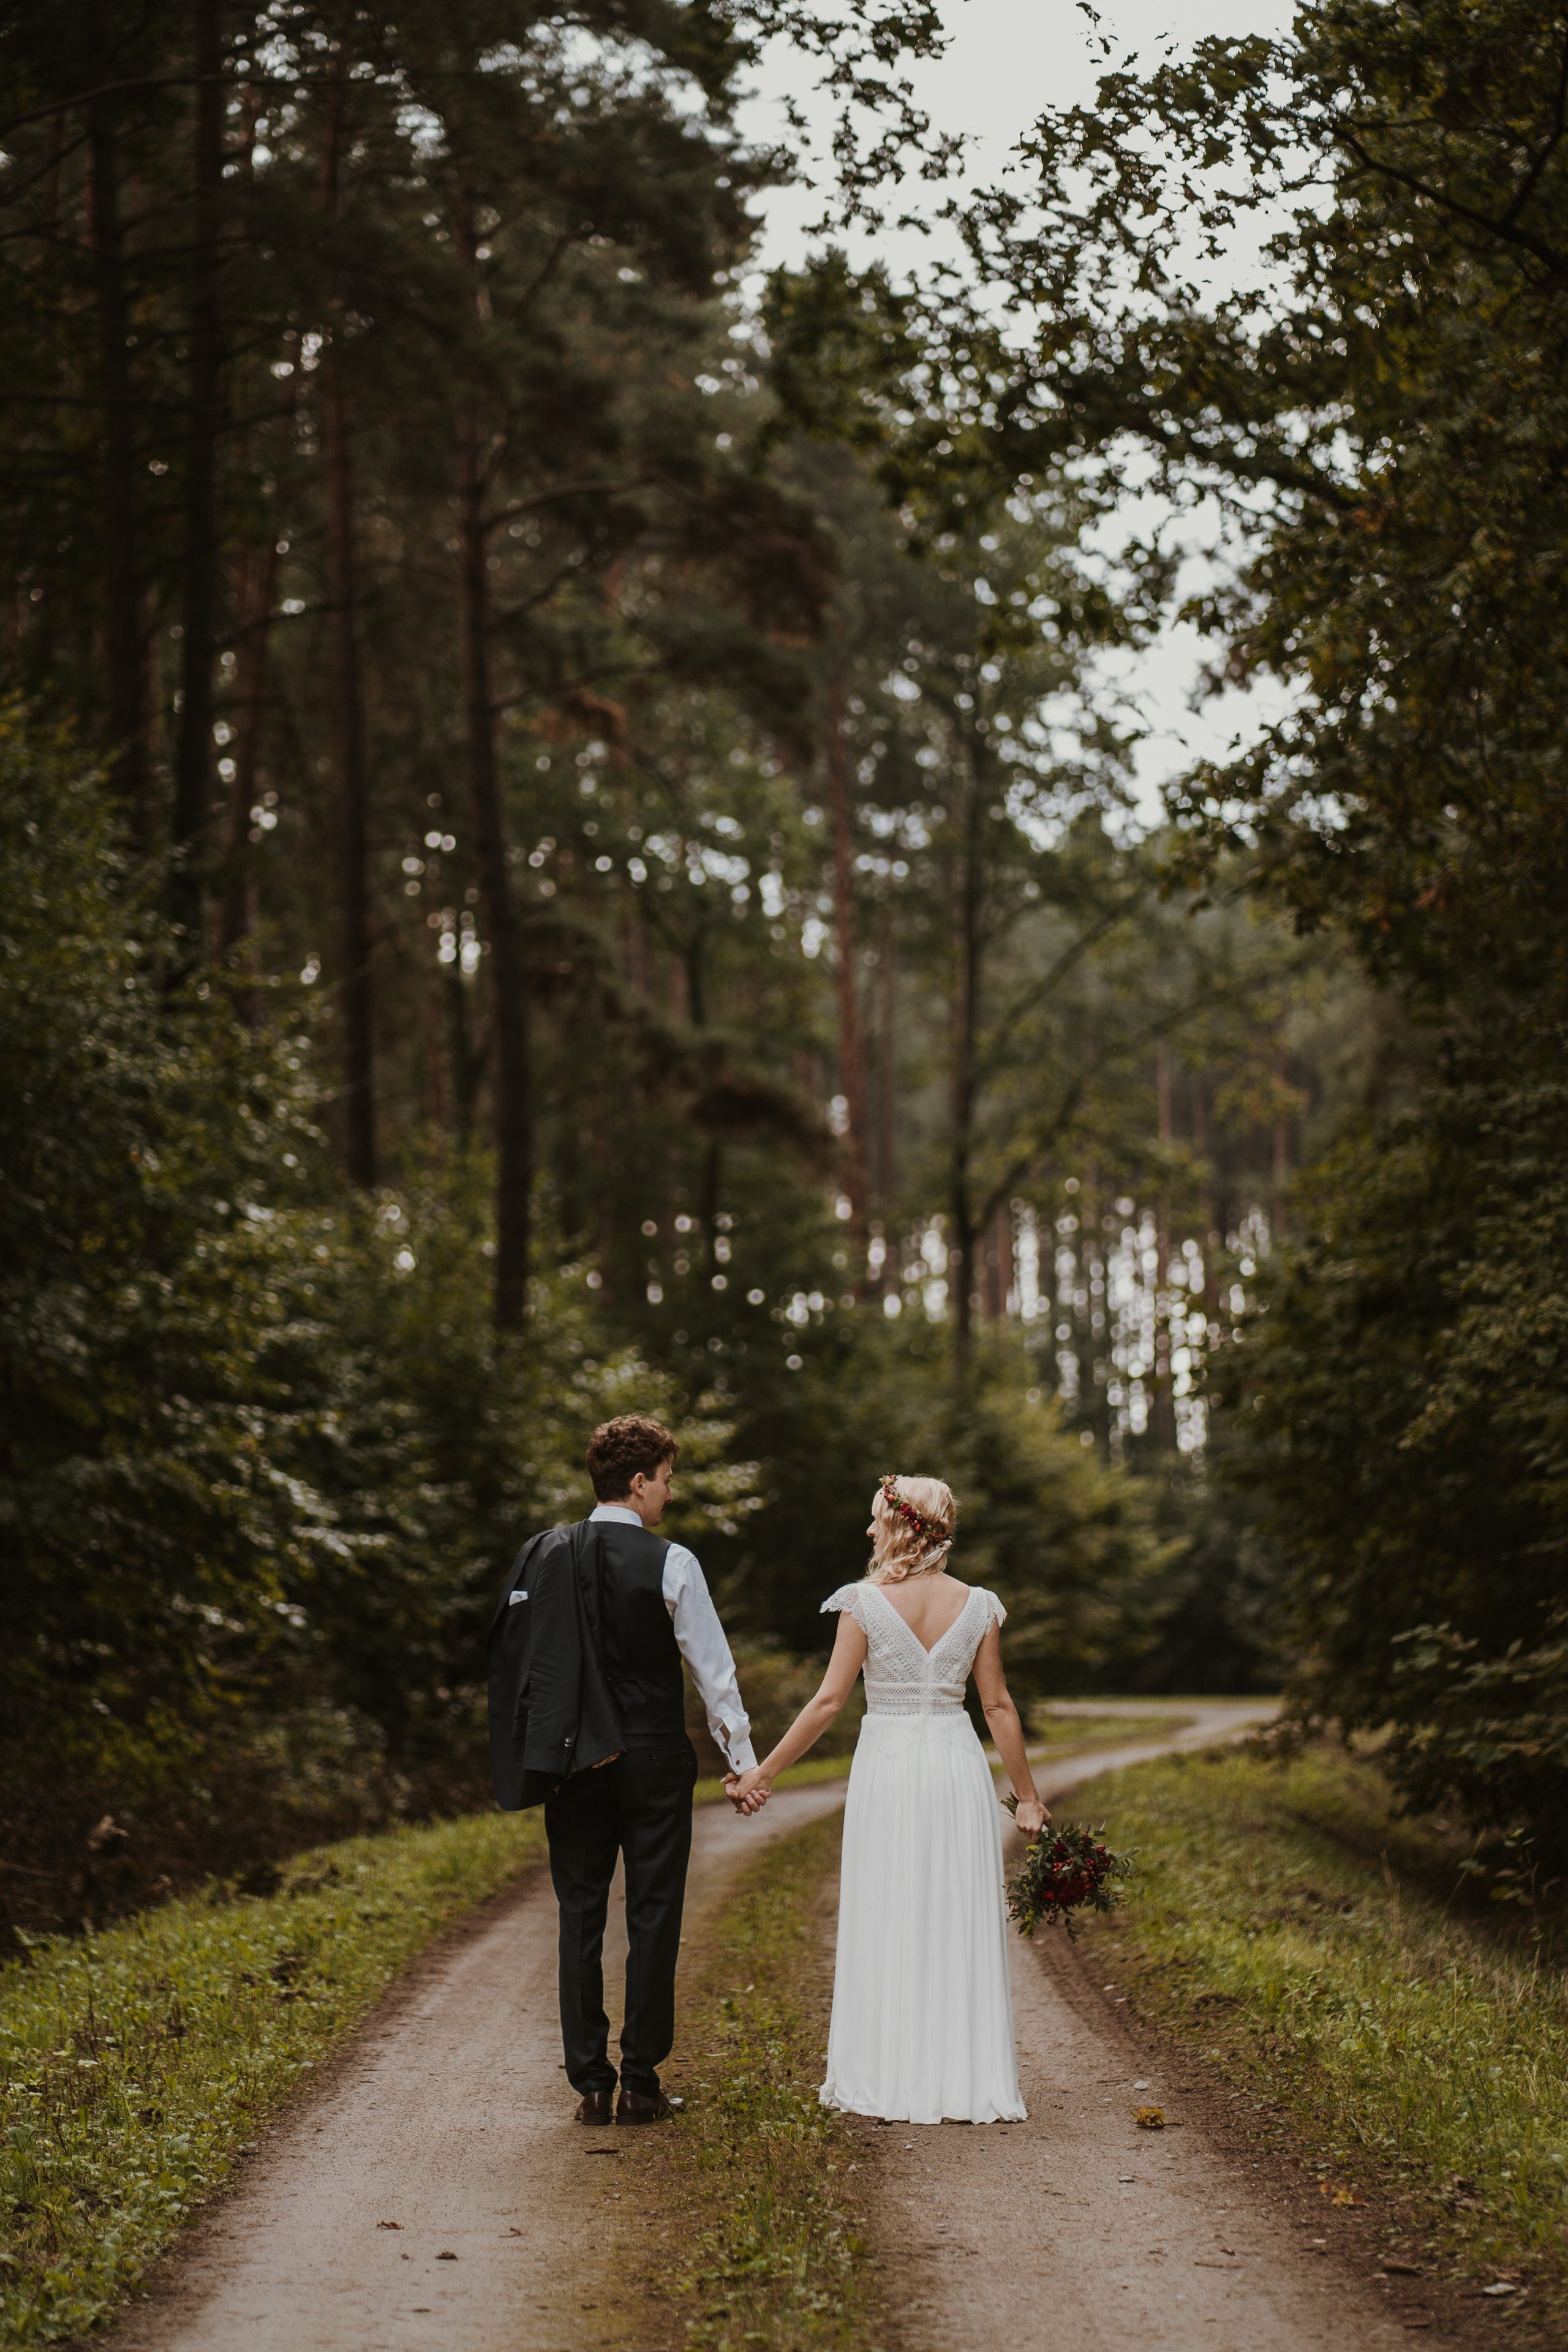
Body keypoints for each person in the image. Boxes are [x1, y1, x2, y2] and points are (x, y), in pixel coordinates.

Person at [728, 1473, 1047, 2125]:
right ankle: (963, 2077)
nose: (870, 1530)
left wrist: (763, 1772)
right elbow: (996, 1706)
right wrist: (1028, 1798)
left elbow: (826, 1703)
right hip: (956, 1766)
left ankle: (889, 2072)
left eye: (877, 1518)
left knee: (891, 1907)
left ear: (904, 1525)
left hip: (892, 1767)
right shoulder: (980, 1604)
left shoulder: (864, 1603)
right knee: (953, 1911)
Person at [488, 1414, 765, 2127]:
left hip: (573, 1759)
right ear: (638, 1483)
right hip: (651, 1758)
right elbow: (714, 1675)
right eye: (667, 1481)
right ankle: (641, 2082)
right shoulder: (673, 1563)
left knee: (579, 1914)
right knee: (653, 1913)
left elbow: (522, 1665)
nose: (669, 1496)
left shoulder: (547, 1556)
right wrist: (743, 1765)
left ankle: (589, 2085)